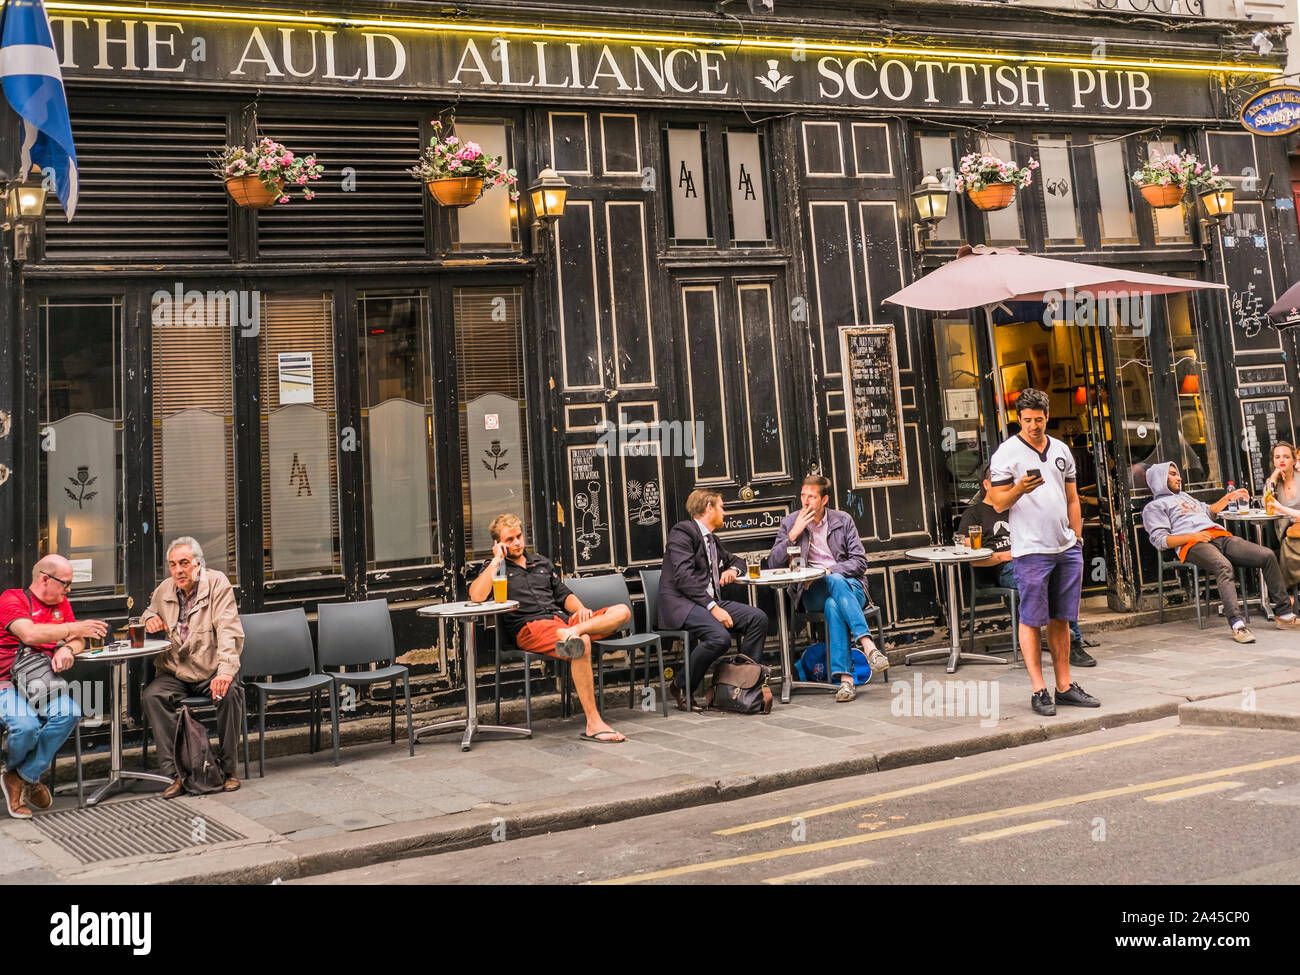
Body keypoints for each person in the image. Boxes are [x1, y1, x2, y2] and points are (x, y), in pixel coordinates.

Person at [986, 388, 1100, 717]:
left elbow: (1073, 497)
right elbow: (996, 502)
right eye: (1027, 420)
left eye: (1038, 419)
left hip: (1065, 547)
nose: (1033, 425)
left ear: (1047, 417)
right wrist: (1019, 488)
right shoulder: (1006, 453)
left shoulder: (1061, 450)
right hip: (1031, 550)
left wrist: (1077, 538)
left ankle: (1064, 685)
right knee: (1031, 619)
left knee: (1062, 618)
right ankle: (1038, 688)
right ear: (1018, 419)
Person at [470, 514, 627, 742]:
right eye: (510, 539)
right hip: (531, 627)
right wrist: (496, 560)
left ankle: (575, 631)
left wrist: (581, 610)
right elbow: (476, 596)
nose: (517, 543)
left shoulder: (541, 562)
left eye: (519, 536)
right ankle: (594, 723)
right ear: (499, 543)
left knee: (622, 610)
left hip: (563, 622)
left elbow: (563, 595)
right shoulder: (496, 568)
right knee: (580, 644)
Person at [1141, 461, 1300, 643]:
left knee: (1267, 555)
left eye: (1178, 474)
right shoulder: (1153, 508)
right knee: (1223, 567)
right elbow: (1160, 540)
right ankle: (1237, 625)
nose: (1179, 478)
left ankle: (1285, 615)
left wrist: (1230, 497)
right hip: (1193, 545)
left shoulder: (1186, 498)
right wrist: (1192, 537)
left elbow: (1209, 511)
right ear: (1160, 479)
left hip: (1220, 536)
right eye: (1172, 474)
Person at [958, 464, 1099, 667]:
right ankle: (1066, 642)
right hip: (1004, 567)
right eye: (999, 482)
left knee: (1060, 581)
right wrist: (1002, 556)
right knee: (1045, 581)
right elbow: (969, 552)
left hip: (1032, 558)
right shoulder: (975, 513)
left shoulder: (1019, 507)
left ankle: (1072, 643)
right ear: (987, 484)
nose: (1006, 486)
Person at [0, 555, 107, 819]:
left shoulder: (61, 604)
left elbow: (78, 638)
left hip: (39, 680)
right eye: (66, 584)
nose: (68, 590)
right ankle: (27, 778)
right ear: (45, 578)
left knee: (70, 712)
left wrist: (68, 649)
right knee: (26, 726)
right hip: (5, 683)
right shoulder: (12, 599)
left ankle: (20, 777)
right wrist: (71, 629)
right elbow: (29, 634)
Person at [768, 474, 888, 702]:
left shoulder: (843, 520)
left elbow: (860, 561)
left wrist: (829, 571)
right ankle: (868, 645)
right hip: (811, 592)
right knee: (832, 587)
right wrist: (794, 533)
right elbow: (773, 563)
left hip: (850, 587)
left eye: (811, 497)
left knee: (834, 597)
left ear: (824, 500)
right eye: (803, 496)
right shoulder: (790, 522)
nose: (805, 502)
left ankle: (846, 681)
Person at [141, 537, 245, 796]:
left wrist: (225, 671)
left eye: (184, 563)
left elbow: (228, 629)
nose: (178, 570)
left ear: (198, 564)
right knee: (153, 696)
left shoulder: (217, 583)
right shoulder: (165, 589)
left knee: (229, 693)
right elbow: (146, 613)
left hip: (210, 670)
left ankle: (229, 768)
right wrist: (151, 619)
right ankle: (175, 773)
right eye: (173, 564)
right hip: (176, 671)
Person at [659, 489, 769, 712]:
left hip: (705, 602)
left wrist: (733, 571)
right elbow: (684, 578)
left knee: (757, 618)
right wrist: (713, 607)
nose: (725, 513)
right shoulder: (682, 532)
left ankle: (740, 684)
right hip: (683, 604)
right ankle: (680, 685)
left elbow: (737, 560)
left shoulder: (711, 539)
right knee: (719, 638)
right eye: (722, 507)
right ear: (709, 508)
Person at [1264, 441, 1300, 588]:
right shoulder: (1272, 482)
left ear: (1293, 460)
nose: (1282, 460)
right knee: (1286, 543)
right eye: (1277, 457)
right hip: (1286, 531)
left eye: (1286, 457)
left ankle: (1289, 592)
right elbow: (1268, 506)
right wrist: (1272, 481)